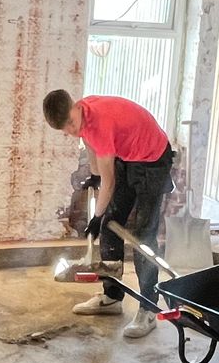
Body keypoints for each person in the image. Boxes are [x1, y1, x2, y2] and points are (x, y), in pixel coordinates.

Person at [42, 89, 173, 340]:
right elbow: (89, 142)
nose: (70, 129)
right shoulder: (85, 115)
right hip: (130, 156)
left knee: (142, 237)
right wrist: (94, 173)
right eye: (65, 129)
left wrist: (96, 216)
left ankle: (149, 309)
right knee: (111, 227)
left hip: (154, 159)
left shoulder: (100, 123)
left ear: (76, 106)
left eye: (70, 123)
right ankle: (112, 297)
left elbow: (109, 182)